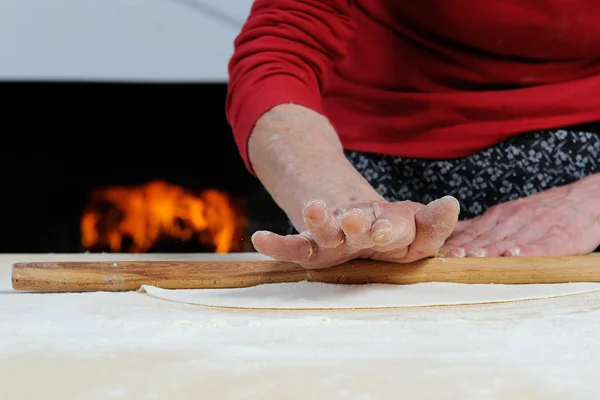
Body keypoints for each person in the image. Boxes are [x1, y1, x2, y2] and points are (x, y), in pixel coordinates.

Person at [226, 1, 600, 269]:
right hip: (356, 162)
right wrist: (345, 206)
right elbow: (280, 51)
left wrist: (588, 203)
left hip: (582, 163)